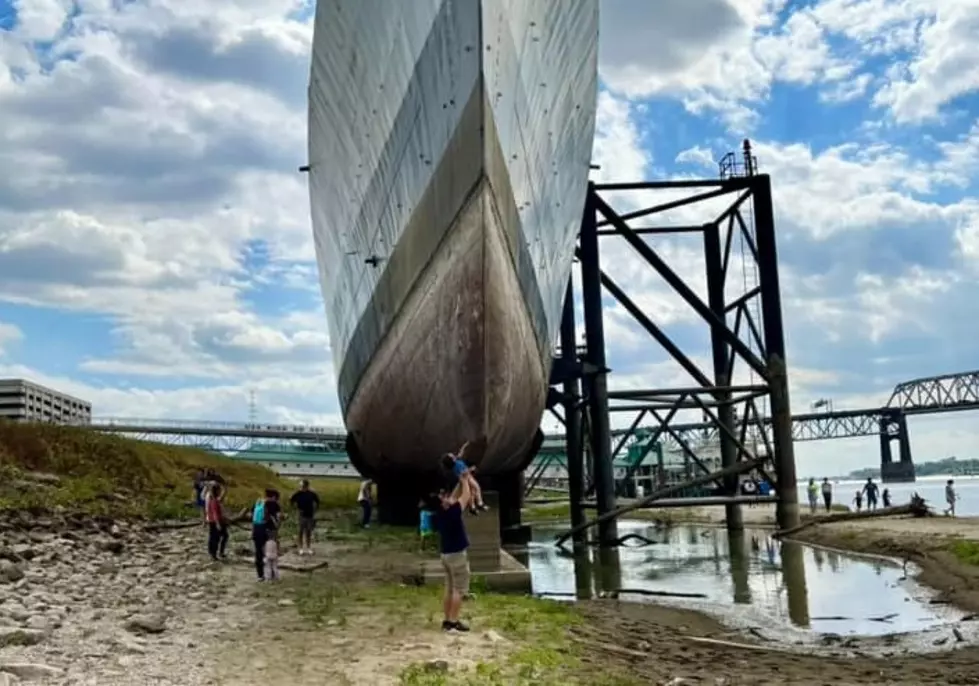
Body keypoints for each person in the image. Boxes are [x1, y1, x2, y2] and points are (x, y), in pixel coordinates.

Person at [434, 478, 473, 632]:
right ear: (444, 498)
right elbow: (466, 495)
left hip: (445, 554)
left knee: (449, 589)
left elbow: (454, 497)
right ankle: (453, 622)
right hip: (457, 555)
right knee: (459, 590)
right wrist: (465, 479)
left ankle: (446, 620)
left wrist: (458, 480)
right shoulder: (454, 510)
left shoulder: (440, 512)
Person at [441, 441, 488, 514]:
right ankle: (480, 503)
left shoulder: (456, 461)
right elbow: (463, 473)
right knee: (476, 488)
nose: (453, 455)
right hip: (466, 478)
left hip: (467, 476)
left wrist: (465, 446)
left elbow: (461, 453)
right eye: (451, 455)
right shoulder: (456, 466)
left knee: (473, 491)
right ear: (452, 459)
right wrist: (471, 469)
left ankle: (473, 507)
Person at [250, 489, 282, 582]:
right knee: (271, 553)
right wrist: (278, 525)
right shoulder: (274, 504)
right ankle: (271, 575)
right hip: (269, 531)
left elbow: (252, 516)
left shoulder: (259, 502)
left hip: (257, 529)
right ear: (274, 497)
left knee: (258, 552)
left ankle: (260, 575)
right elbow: (279, 516)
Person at [290, 479, 320, 556]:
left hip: (310, 515)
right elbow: (291, 500)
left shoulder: (312, 493)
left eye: (303, 486)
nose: (301, 487)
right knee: (300, 531)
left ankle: (308, 547)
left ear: (306, 486)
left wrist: (315, 510)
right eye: (301, 486)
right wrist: (295, 508)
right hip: (301, 515)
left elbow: (317, 501)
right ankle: (300, 548)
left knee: (308, 532)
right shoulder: (298, 493)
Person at [205, 483, 229, 561]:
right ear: (217, 491)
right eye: (219, 490)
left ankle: (215, 552)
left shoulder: (215, 499)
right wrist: (218, 523)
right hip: (215, 521)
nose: (220, 491)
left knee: (220, 536)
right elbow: (215, 513)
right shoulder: (214, 500)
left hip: (216, 521)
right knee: (216, 538)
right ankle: (214, 553)